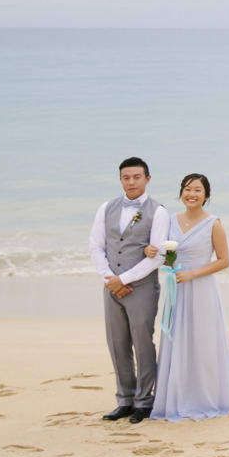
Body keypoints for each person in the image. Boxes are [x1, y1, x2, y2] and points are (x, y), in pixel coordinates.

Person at [149, 174, 229, 421]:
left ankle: (203, 397)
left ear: (206, 195)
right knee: (176, 339)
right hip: (175, 287)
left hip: (202, 290)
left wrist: (193, 274)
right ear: (181, 193)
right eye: (188, 189)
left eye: (198, 190)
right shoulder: (169, 220)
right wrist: (153, 253)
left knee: (202, 342)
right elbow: (158, 250)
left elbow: (224, 261)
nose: (192, 194)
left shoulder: (213, 224)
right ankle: (176, 395)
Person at [89, 156, 168, 424]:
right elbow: (96, 246)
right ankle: (124, 399)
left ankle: (145, 401)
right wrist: (109, 278)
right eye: (126, 177)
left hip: (142, 287)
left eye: (136, 177)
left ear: (147, 178)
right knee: (117, 343)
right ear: (120, 179)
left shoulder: (158, 211)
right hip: (111, 285)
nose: (131, 182)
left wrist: (124, 279)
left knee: (143, 342)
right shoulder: (106, 208)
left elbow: (157, 256)